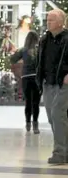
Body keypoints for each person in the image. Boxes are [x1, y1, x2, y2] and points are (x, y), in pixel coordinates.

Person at [36, 9, 68, 164]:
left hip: (64, 83)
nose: (48, 22)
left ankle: (60, 152)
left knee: (57, 113)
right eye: (47, 19)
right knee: (52, 117)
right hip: (47, 82)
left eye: (52, 20)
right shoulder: (44, 40)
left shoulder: (67, 38)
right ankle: (65, 149)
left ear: (61, 22)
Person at [10, 31, 41, 134]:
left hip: (26, 76)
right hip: (36, 77)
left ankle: (27, 123)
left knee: (28, 101)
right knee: (36, 102)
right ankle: (35, 124)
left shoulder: (23, 50)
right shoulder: (39, 50)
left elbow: (12, 59)